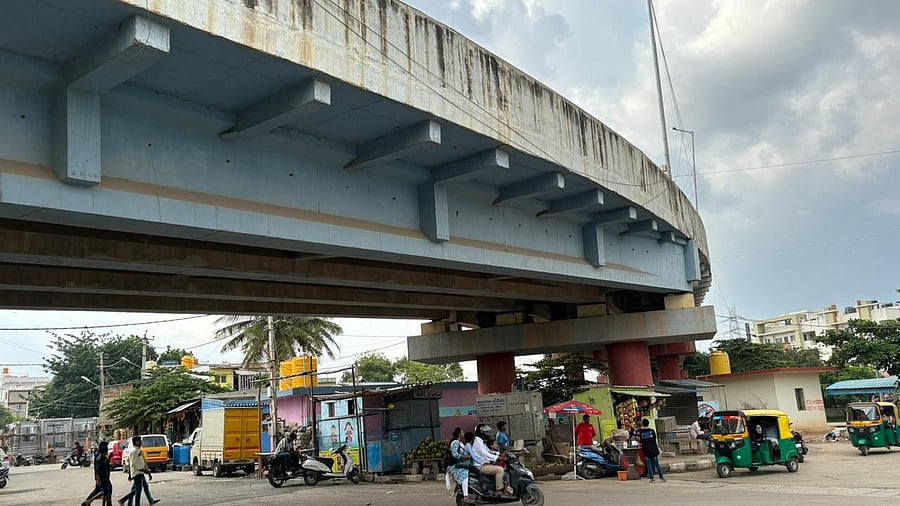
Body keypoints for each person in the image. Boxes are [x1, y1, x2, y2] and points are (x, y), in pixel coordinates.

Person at [117, 436, 159, 506]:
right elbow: (132, 463)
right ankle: (126, 500)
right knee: (137, 490)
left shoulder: (139, 450)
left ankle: (149, 500)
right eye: (139, 441)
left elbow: (143, 461)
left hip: (141, 472)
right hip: (137, 472)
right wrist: (141, 470)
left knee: (143, 487)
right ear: (135, 442)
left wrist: (147, 471)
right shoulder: (134, 451)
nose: (141, 442)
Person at [470, 425, 508, 497]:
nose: (487, 434)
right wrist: (497, 458)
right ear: (481, 433)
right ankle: (498, 490)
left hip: (484, 464)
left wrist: (499, 454)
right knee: (500, 470)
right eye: (486, 432)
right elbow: (485, 454)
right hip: (480, 466)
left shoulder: (481, 441)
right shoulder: (478, 442)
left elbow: (488, 451)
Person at [446, 428, 475, 504]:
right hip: (455, 466)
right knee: (465, 474)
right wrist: (464, 457)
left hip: (459, 463)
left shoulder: (460, 442)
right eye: (462, 432)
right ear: (459, 434)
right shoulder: (455, 442)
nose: (463, 433)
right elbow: (455, 454)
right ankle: (466, 497)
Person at [81, 441, 112, 506]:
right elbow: (98, 468)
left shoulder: (101, 454)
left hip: (104, 476)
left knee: (105, 490)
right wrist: (98, 478)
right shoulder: (99, 455)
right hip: (101, 476)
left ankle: (107, 503)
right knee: (103, 491)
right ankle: (88, 501)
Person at [639, 419, 665, 483]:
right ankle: (662, 477)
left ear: (642, 424)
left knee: (649, 465)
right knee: (657, 464)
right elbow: (654, 439)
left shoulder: (641, 432)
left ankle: (651, 478)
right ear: (648, 423)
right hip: (653, 450)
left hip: (646, 450)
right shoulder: (652, 431)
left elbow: (641, 441)